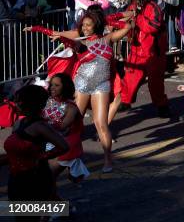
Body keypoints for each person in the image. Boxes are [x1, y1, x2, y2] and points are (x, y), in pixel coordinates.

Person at [25, 10, 132, 172]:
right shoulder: (79, 42)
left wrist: (110, 19)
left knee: (101, 124)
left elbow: (127, 26)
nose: (85, 28)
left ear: (96, 25)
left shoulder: (108, 38)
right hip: (81, 85)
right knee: (70, 123)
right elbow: (57, 34)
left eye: (89, 25)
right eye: (83, 25)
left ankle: (108, 160)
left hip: (101, 86)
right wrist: (36, 29)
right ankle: (51, 153)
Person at [3, 84, 68, 201]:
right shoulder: (19, 123)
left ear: (30, 103)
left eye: (19, 101)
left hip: (34, 179)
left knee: (29, 215)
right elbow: (14, 152)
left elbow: (63, 146)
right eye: (16, 101)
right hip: (15, 179)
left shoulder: (40, 126)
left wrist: (41, 156)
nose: (15, 104)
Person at [117, 0, 170, 117]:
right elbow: (127, 24)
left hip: (153, 51)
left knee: (155, 82)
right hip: (137, 49)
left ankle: (161, 105)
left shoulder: (153, 7)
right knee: (130, 77)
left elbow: (153, 27)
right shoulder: (132, 7)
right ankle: (125, 101)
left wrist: (138, 17)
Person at [42, 73, 89, 184]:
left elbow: (62, 127)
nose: (52, 87)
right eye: (52, 84)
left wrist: (41, 125)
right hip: (48, 142)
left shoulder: (71, 107)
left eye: (57, 85)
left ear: (65, 87)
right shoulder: (47, 100)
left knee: (47, 179)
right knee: (45, 180)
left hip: (65, 145)